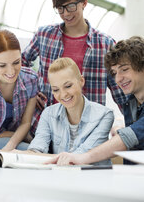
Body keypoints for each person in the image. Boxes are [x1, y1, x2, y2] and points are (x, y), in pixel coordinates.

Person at [22, 0, 126, 136]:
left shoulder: (106, 44)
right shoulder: (44, 35)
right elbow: (21, 62)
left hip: (87, 131)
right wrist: (31, 90)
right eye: (60, 8)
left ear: (84, 2)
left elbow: (121, 94)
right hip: (47, 127)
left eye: (70, 6)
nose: (65, 14)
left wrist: (134, 129)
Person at [0, 57, 114, 164]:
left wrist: (27, 155)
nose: (63, 94)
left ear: (81, 81)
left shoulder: (104, 115)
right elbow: (35, 151)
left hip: (93, 182)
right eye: (56, 89)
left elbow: (79, 158)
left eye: (68, 86)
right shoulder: (49, 114)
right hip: (62, 180)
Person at [46, 36, 144, 165]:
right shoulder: (130, 102)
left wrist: (80, 158)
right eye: (114, 73)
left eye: (124, 70)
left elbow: (130, 136)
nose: (118, 79)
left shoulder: (105, 114)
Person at [0, 30, 38, 151]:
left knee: (33, 151)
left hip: (15, 139)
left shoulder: (31, 79)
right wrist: (20, 137)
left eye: (16, 62)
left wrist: (12, 144)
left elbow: (26, 123)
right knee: (29, 151)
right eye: (2, 65)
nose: (11, 71)